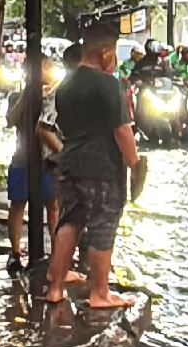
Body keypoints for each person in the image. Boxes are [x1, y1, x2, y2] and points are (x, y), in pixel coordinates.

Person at [45, 20, 140, 308]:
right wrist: (135, 164)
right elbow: (122, 130)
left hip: (70, 163)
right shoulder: (108, 84)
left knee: (69, 222)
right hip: (101, 168)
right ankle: (100, 293)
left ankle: (55, 288)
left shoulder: (66, 85)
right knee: (102, 226)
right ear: (105, 53)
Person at [4, 58, 70, 273]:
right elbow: (11, 120)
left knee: (53, 206)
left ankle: (56, 254)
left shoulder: (57, 96)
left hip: (48, 160)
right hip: (23, 157)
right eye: (43, 68)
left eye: (49, 67)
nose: (47, 71)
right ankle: (15, 252)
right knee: (18, 204)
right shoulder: (18, 96)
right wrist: (28, 94)